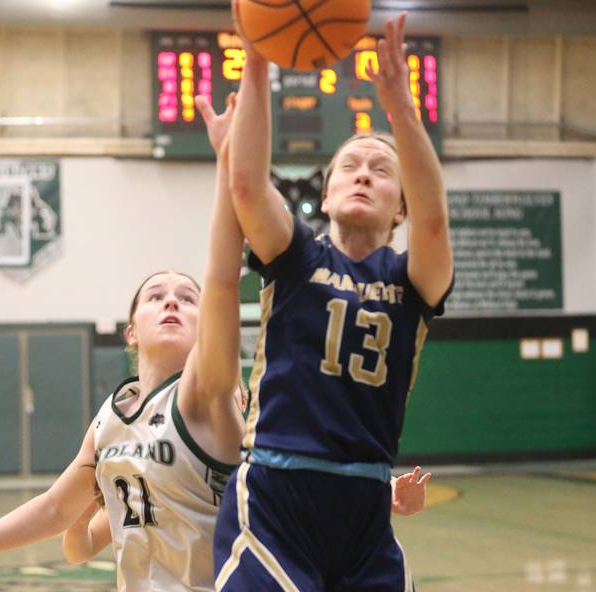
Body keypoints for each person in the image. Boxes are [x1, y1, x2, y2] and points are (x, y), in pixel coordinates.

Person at [0, 94, 245, 592]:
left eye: (188, 299)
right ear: (130, 331)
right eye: (156, 296)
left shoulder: (205, 392)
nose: (172, 303)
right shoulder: (111, 417)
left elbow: (222, 280)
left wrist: (227, 166)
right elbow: (57, 507)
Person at [214, 6, 452, 591]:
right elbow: (246, 185)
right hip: (275, 490)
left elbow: (435, 225)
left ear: (401, 207)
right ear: (325, 196)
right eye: (350, 167)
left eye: (381, 170)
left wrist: (399, 107)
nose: (364, 174)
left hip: (365, 500)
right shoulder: (297, 256)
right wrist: (258, 59)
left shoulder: (411, 280)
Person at [61, 466, 433, 565]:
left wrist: (392, 495)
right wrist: (77, 521)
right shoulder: (145, 471)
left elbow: (330, 493)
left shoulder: (254, 469)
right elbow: (81, 549)